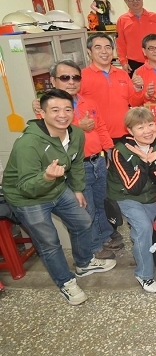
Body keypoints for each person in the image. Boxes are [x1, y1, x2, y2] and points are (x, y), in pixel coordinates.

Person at [2, 89, 116, 305]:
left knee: (82, 222)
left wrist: (78, 189)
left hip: (57, 187)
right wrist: (46, 177)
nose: (62, 115)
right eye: (55, 110)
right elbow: (25, 186)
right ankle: (66, 282)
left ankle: (83, 263)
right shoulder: (28, 143)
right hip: (27, 198)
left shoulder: (76, 134)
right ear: (42, 113)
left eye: (67, 109)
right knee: (49, 243)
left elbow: (77, 164)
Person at [32, 61, 117, 259]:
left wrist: (109, 150)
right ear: (53, 81)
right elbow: (53, 135)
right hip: (76, 166)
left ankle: (105, 236)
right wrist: (80, 127)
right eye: (65, 77)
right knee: (86, 208)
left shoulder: (89, 101)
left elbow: (101, 127)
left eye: (75, 77)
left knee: (102, 203)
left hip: (98, 161)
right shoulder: (46, 108)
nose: (71, 82)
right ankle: (95, 247)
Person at [107, 107, 156, 293]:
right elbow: (132, 187)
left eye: (150, 125)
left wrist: (150, 163)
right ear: (130, 131)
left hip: (152, 194)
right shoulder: (120, 151)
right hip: (126, 196)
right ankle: (144, 275)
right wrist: (145, 161)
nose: (147, 131)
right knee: (143, 228)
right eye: (140, 127)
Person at [80, 32, 145, 139]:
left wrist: (138, 88)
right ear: (89, 52)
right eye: (98, 47)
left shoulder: (122, 74)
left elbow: (134, 103)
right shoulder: (81, 77)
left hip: (125, 134)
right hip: (99, 137)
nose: (104, 51)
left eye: (108, 47)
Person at [116, 0, 156, 75]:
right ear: (125, 1)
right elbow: (120, 43)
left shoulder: (154, 17)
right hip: (134, 64)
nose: (135, 1)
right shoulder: (122, 20)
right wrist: (123, 62)